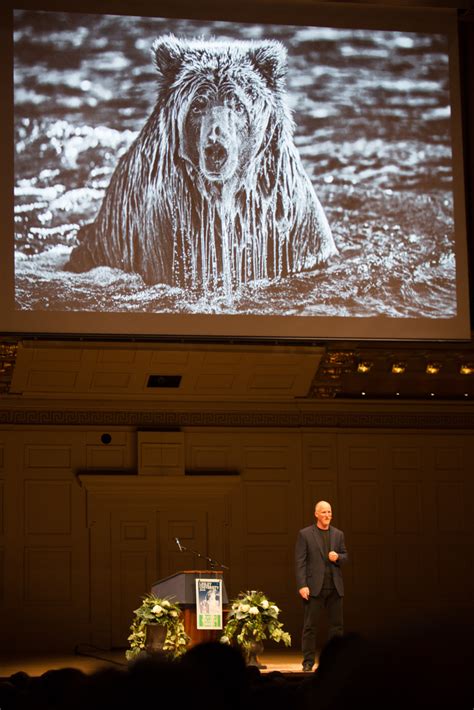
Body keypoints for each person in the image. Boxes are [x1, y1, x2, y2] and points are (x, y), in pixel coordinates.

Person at [295, 500, 348, 672]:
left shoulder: (338, 534)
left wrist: (338, 557)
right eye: (324, 512)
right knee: (310, 627)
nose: (327, 515)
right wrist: (302, 585)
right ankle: (308, 662)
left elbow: (345, 556)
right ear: (316, 514)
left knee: (336, 627)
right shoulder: (305, 534)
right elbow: (300, 562)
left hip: (334, 586)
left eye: (329, 512)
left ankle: (335, 660)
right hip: (314, 588)